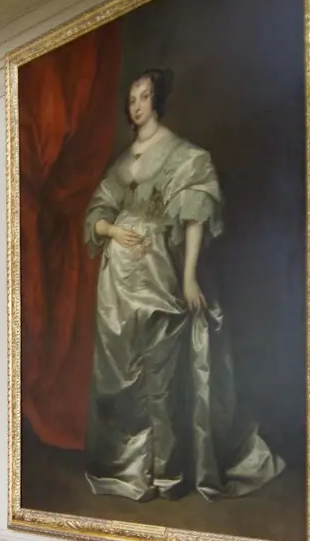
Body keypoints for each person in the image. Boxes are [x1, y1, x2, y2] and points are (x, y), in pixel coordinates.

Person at [83, 67, 283, 502]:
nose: (137, 105)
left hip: (161, 274)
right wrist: (115, 232)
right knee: (126, 378)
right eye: (132, 98)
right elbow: (97, 214)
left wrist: (189, 276)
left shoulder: (181, 154)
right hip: (117, 286)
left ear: (158, 100)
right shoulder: (120, 164)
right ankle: (136, 471)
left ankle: (169, 473)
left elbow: (194, 213)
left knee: (165, 373)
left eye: (144, 96)